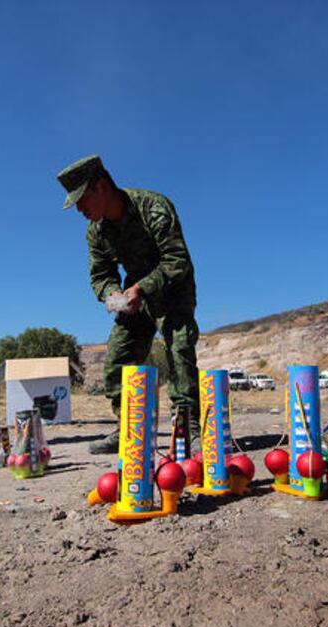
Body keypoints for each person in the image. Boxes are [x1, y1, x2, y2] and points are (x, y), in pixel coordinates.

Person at [57, 155, 200, 454]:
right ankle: (128, 428)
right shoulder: (96, 231)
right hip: (133, 298)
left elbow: (177, 261)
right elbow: (100, 275)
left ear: (102, 187)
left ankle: (189, 430)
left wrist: (142, 289)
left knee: (179, 350)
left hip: (172, 290)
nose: (80, 210)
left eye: (83, 200)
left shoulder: (153, 207)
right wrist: (114, 295)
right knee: (118, 359)